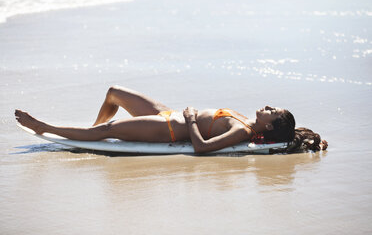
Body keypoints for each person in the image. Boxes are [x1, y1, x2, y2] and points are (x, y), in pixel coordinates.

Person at [15, 85, 327, 153]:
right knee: (113, 93)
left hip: (168, 127)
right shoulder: (247, 121)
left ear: (269, 124)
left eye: (272, 111)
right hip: (167, 113)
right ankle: (89, 132)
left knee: (110, 129)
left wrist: (190, 120)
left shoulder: (240, 130)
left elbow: (203, 148)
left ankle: (45, 126)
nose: (268, 105)